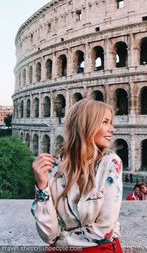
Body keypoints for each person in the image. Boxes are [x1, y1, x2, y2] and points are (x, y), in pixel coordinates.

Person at [31, 99, 123, 252]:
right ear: (86, 125)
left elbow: (103, 230)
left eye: (110, 122)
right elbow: (48, 235)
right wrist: (42, 186)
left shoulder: (111, 163)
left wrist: (61, 241)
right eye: (105, 122)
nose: (112, 129)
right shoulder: (54, 168)